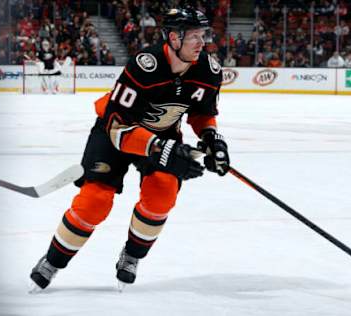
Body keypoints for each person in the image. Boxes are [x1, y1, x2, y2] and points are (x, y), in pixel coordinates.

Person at [29, 7, 230, 292]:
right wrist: (161, 149)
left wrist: (213, 141)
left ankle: (132, 256)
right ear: (174, 38)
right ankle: (53, 260)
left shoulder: (209, 71)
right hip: (114, 134)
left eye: (203, 35)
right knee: (94, 201)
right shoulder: (144, 66)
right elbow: (116, 128)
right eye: (194, 36)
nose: (202, 42)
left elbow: (202, 114)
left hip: (162, 136)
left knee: (162, 193)